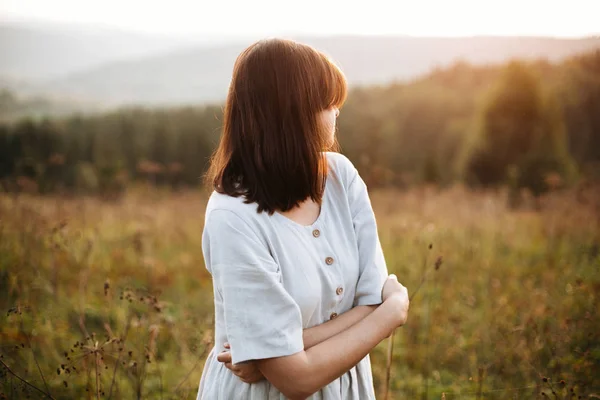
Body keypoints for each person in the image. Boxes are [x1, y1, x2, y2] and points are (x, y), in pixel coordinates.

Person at [196, 38, 410, 400]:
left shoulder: (341, 177)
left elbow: (371, 299)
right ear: (292, 114)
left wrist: (271, 348)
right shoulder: (231, 217)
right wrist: (392, 313)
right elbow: (294, 379)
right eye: (327, 104)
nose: (337, 113)